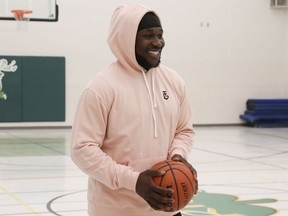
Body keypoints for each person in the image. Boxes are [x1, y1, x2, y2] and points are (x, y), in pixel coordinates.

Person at [71, 4, 198, 216]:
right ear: (127, 39)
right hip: (115, 210)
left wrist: (178, 156)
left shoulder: (174, 81)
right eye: (148, 36)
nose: (158, 42)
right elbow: (82, 150)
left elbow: (184, 130)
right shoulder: (100, 88)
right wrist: (134, 181)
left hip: (166, 209)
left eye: (160, 35)